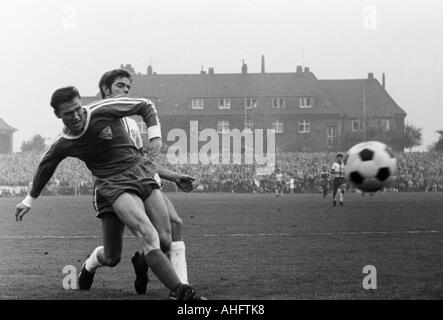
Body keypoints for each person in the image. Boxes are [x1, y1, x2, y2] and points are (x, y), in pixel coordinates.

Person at [15, 86, 203, 300]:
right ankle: (182, 293)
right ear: (58, 115)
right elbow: (44, 168)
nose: (76, 116)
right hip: (112, 185)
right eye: (68, 113)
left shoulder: (104, 110)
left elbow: (146, 105)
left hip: (141, 173)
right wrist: (29, 200)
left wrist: (156, 138)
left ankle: (144, 262)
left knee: (163, 239)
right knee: (133, 244)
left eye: (78, 109)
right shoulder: (63, 143)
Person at [89, 69, 190, 298]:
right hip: (111, 190)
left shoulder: (132, 125)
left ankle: (152, 269)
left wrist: (172, 176)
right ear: (106, 89)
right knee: (112, 257)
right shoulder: (92, 120)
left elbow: (140, 163)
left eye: (128, 87)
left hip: (138, 183)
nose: (126, 91)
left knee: (165, 238)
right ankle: (90, 265)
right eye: (120, 86)